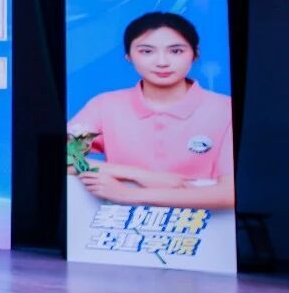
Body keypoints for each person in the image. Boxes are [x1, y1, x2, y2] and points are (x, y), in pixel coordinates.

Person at [68, 11, 234, 210]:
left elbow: (230, 192)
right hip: (123, 225)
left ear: (195, 53)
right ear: (128, 56)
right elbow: (60, 158)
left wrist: (128, 194)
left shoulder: (225, 109)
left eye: (176, 51)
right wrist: (141, 175)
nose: (162, 62)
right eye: (146, 51)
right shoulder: (105, 105)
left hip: (206, 224)